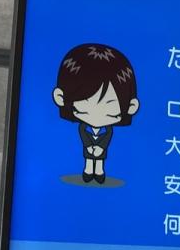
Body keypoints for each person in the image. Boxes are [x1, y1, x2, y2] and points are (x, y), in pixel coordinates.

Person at [52, 44, 139, 185]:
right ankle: (88, 171)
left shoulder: (108, 129)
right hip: (88, 146)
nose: (97, 114)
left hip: (101, 147)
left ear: (131, 107)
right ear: (60, 98)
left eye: (109, 107)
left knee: (100, 160)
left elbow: (108, 135)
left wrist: (101, 147)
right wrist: (88, 145)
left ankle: (99, 172)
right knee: (88, 159)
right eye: (85, 107)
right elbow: (82, 131)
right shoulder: (83, 127)